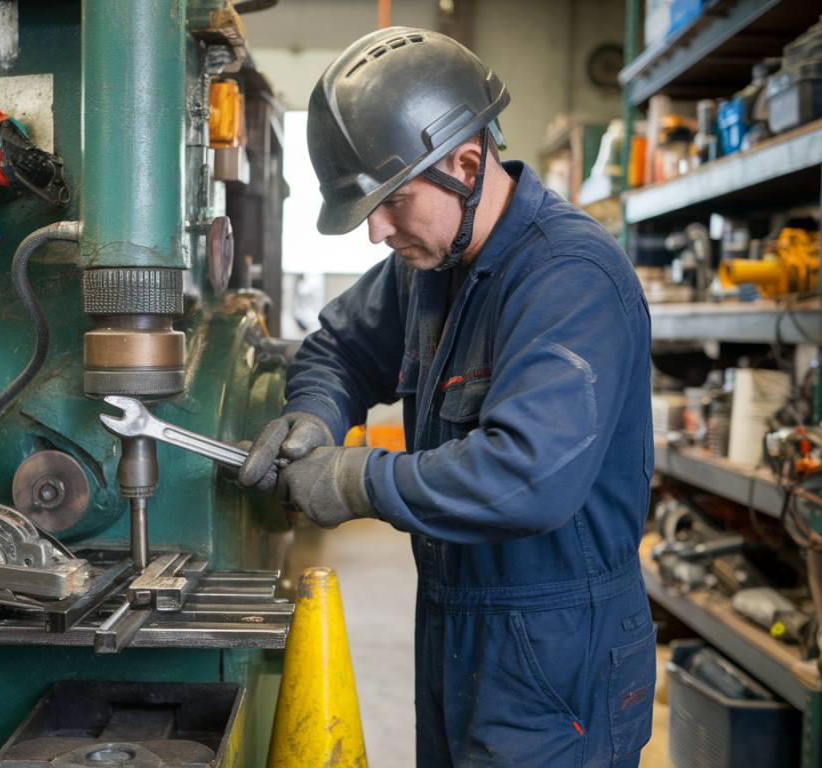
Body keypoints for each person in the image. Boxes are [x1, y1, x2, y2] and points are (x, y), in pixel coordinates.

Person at [239, 28, 656, 768]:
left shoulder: (571, 279)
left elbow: (524, 476)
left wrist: (353, 479)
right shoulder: (429, 266)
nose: (376, 231)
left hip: (557, 648)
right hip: (455, 619)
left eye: (392, 202)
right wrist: (316, 415)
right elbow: (338, 345)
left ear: (467, 163)